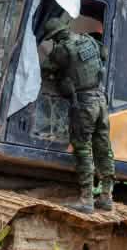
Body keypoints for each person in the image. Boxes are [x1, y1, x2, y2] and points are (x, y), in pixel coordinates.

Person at [43, 14, 115, 213]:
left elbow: (46, 70)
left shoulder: (62, 50)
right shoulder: (88, 40)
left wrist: (62, 79)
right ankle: (107, 197)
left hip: (84, 103)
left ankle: (86, 200)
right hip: (101, 100)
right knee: (103, 148)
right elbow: (104, 55)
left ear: (55, 36)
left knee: (83, 149)